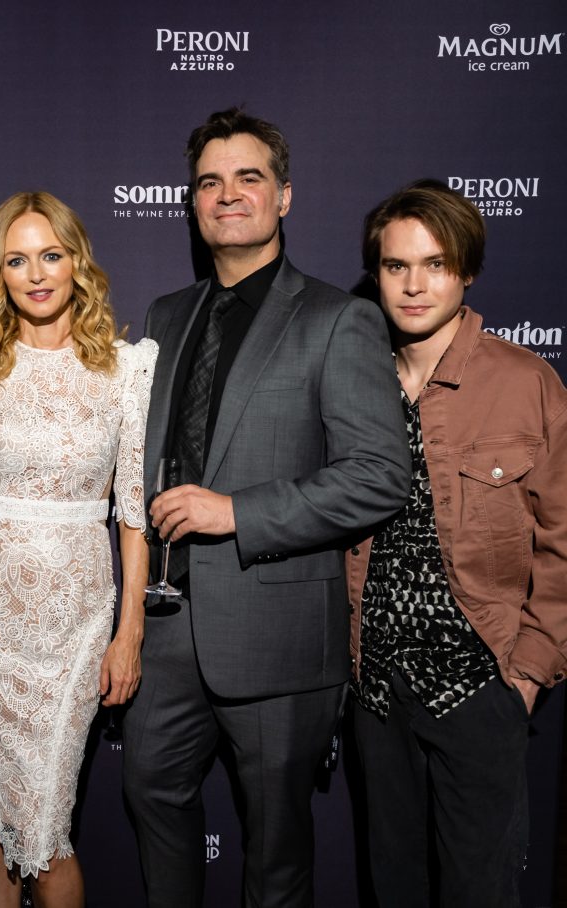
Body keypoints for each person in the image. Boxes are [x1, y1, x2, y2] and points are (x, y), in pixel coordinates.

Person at [122, 107, 411, 908]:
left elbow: (379, 475)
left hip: (280, 637)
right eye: (208, 182)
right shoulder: (164, 317)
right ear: (191, 202)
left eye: (248, 178)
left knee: (276, 853)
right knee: (150, 799)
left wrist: (238, 512)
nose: (227, 195)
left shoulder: (338, 318)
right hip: (168, 628)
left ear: (283, 196)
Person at [0, 191, 155, 908]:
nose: (37, 274)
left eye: (51, 255)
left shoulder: (125, 368)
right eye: (17, 260)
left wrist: (128, 632)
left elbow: (133, 516)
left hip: (72, 625)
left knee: (45, 831)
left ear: (78, 261)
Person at [349, 180, 567, 907]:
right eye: (396, 266)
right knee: (394, 890)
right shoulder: (355, 383)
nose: (414, 286)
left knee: (481, 893)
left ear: (466, 270)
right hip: (376, 693)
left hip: (480, 687)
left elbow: (563, 545)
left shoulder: (525, 383)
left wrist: (528, 674)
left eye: (435, 265)